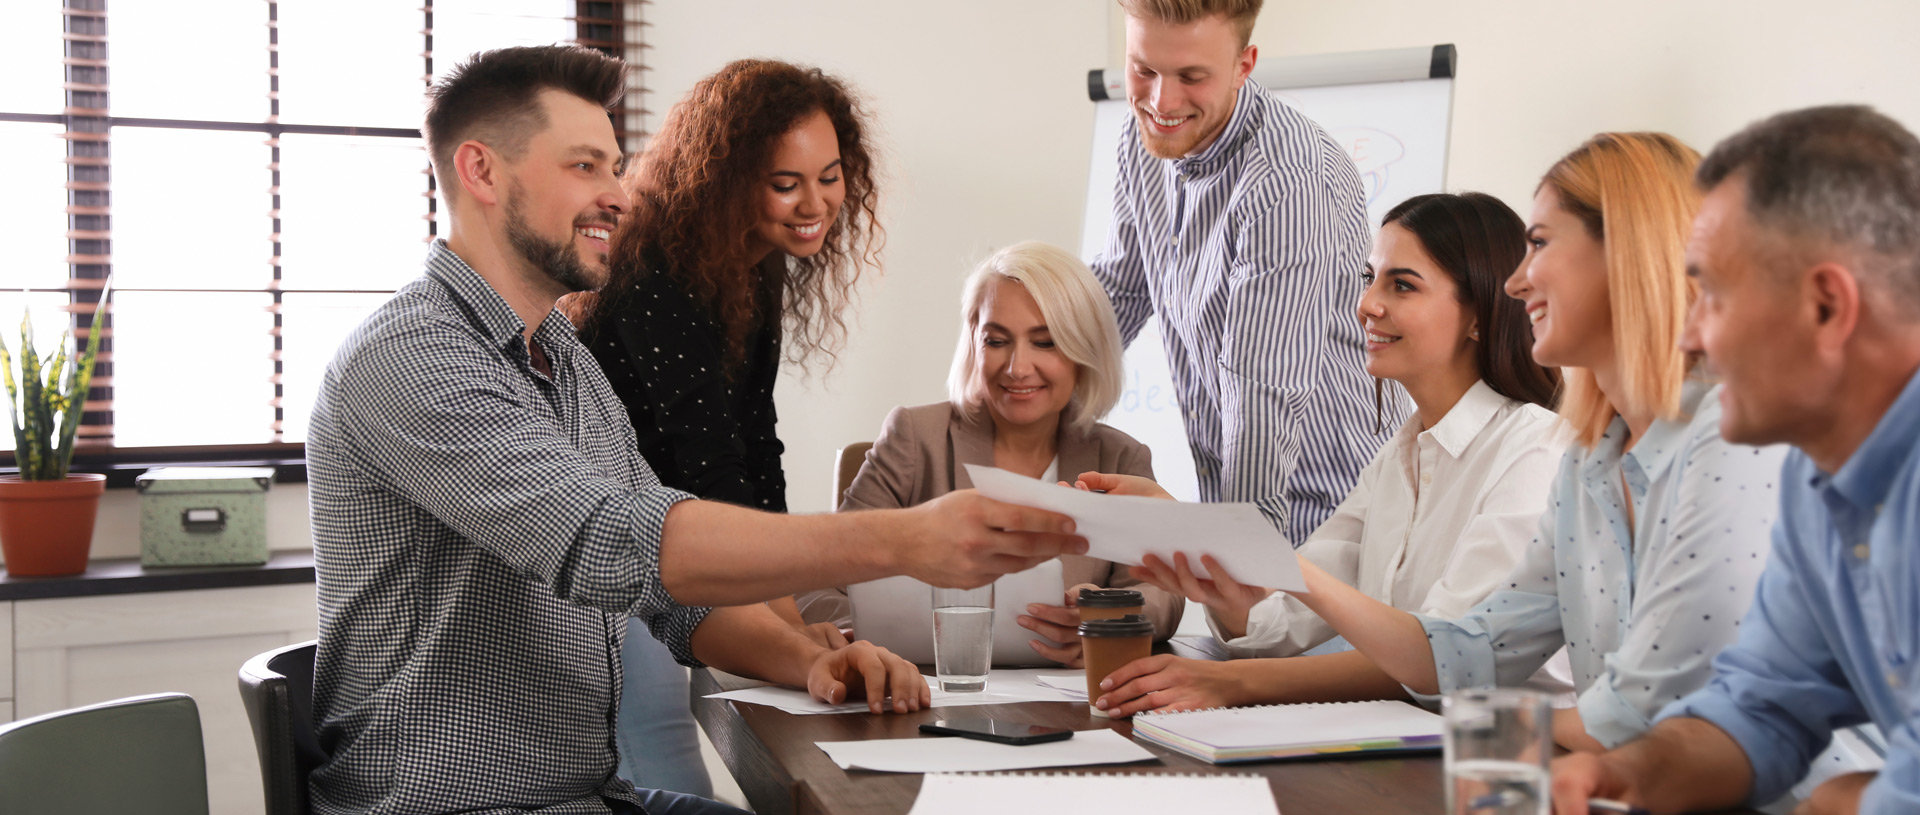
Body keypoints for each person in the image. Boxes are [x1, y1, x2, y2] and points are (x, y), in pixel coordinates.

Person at [305, 45, 1085, 815]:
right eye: (585, 167)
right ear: (480, 171)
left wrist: (815, 660)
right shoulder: (413, 356)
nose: (617, 193)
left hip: (590, 797)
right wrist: (902, 540)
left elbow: (677, 600)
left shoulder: (567, 364)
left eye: (615, 166)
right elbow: (615, 539)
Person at [1088, 133, 1783, 754]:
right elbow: (1462, 656)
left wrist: (1243, 683)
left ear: (1625, 254)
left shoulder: (1727, 441)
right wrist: (1199, 537)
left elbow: (1643, 714)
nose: (1517, 279)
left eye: (1539, 244)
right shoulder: (1587, 459)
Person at [1550, 106, 1920, 815]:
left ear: (1826, 306)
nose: (1688, 334)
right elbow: (1762, 709)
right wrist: (1634, 775)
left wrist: (1853, 802)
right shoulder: (1819, 485)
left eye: (1712, 295)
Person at [1089, 193, 1574, 715]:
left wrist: (1234, 683)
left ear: (1479, 314)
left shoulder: (1535, 450)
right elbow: (1279, 624)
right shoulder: (1400, 456)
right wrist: (1203, 558)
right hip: (1412, 748)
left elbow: (1445, 659)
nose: (1366, 303)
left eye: (1402, 284)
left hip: (1520, 765)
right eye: (1369, 277)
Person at [573, 59, 879, 796]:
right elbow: (706, 470)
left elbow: (755, 453)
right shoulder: (656, 274)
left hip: (682, 567)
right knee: (676, 771)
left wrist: (793, 621)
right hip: (613, 582)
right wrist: (786, 632)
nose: (816, 203)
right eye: (786, 183)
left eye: (831, 176)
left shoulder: (750, 266)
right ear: (726, 179)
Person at [1093, 0, 1406, 545]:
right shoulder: (1138, 140)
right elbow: (1121, 289)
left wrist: (1242, 559)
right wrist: (1019, 394)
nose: (1161, 101)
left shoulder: (1287, 178)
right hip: (1229, 504)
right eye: (1143, 70)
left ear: (1244, 64)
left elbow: (1263, 391)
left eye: (1192, 76)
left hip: (1329, 520)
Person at [836, 241, 1182, 664]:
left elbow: (1163, 592)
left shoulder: (1120, 459)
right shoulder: (914, 436)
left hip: (1065, 702)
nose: (1017, 368)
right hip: (925, 690)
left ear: (1083, 351)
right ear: (973, 344)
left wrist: (1110, 618)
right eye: (996, 340)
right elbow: (825, 577)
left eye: (1046, 343)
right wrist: (861, 641)